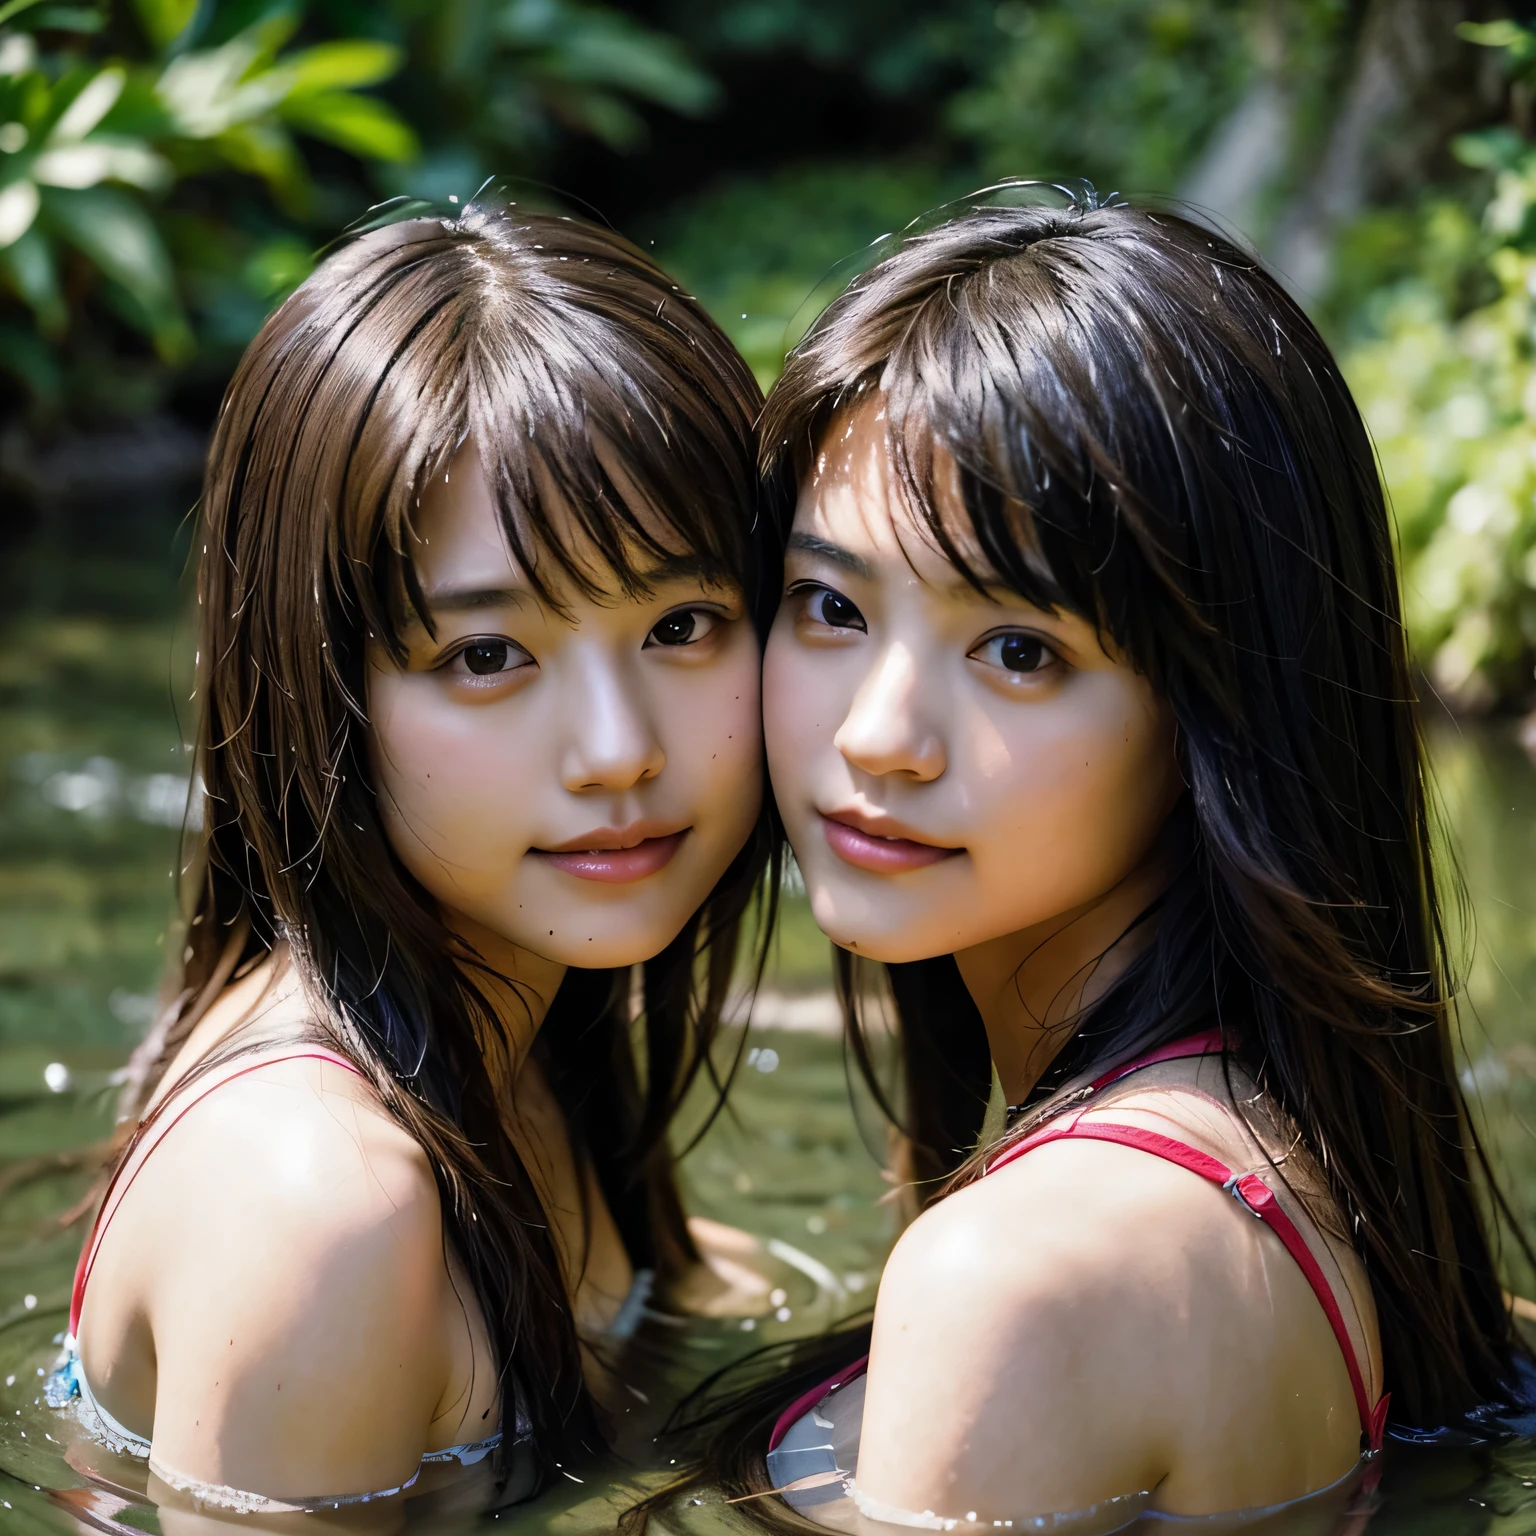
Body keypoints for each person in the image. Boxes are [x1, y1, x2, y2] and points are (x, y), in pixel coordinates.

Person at [650, 190, 1533, 1531]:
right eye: (831, 606)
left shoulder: (1017, 1276)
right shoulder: (1312, 1173)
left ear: (1220, 712)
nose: (879, 737)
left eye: (1020, 650)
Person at [51, 205, 782, 1518]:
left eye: (682, 623)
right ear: (316, 692)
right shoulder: (320, 1211)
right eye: (487, 656)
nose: (617, 754)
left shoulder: (512, 1013)